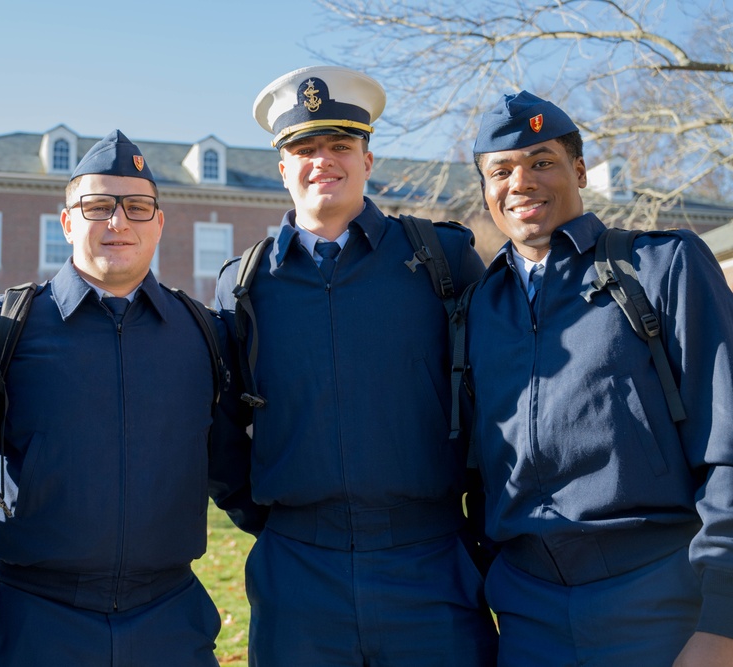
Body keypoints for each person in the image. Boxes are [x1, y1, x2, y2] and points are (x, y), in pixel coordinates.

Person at [214, 66, 498, 666]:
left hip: (431, 561)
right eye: (306, 148)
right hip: (297, 570)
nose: (325, 160)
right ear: (282, 167)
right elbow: (219, 422)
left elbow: (493, 396)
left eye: (341, 145)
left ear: (368, 159)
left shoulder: (441, 262)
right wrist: (261, 514)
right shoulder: (243, 286)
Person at [0, 130, 250, 666]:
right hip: (33, 622)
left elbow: (234, 469)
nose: (118, 222)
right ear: (68, 222)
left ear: (159, 224)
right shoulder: (5, 329)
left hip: (169, 620)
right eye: (98, 207)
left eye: (138, 207)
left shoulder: (202, 334)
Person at [466, 90, 733, 666]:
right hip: (525, 611)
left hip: (659, 600)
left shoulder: (662, 267)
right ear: (486, 191)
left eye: (542, 162)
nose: (521, 183)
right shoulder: (477, 308)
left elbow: (727, 445)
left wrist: (723, 623)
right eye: (501, 171)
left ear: (579, 170)